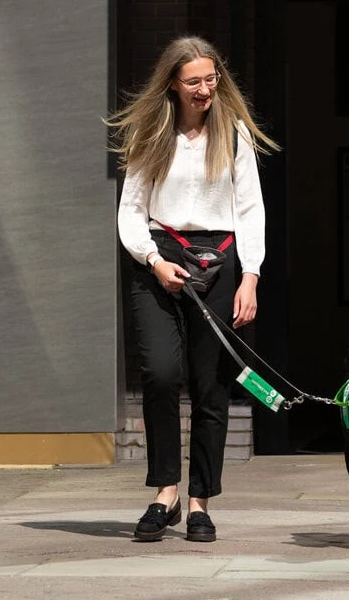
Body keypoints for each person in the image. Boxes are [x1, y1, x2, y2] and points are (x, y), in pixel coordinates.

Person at [108, 36, 278, 543]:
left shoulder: (236, 135)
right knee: (160, 376)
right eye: (194, 82)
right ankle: (165, 491)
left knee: (211, 387)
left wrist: (251, 275)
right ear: (173, 85)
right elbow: (131, 210)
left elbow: (251, 210)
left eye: (211, 79)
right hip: (158, 259)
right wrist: (155, 261)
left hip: (221, 262)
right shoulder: (150, 132)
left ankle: (201, 501)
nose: (206, 89)